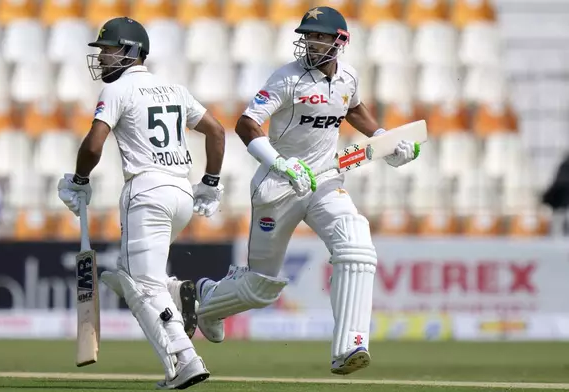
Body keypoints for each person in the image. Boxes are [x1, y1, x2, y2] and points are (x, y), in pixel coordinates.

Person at [193, 6, 419, 376]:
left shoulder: (348, 77)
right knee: (260, 288)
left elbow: (354, 109)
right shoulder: (287, 79)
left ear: (339, 41)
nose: (311, 43)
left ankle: (350, 346)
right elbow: (246, 125)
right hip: (278, 186)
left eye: (319, 37)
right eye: (308, 37)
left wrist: (383, 139)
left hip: (326, 181)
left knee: (357, 243)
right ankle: (208, 302)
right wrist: (281, 163)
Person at [56, 17, 226, 389]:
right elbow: (216, 130)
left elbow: (93, 144)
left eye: (108, 50)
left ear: (131, 51)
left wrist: (80, 180)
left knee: (139, 285)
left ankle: (185, 360)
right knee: (133, 276)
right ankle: (181, 292)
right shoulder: (174, 88)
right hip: (181, 193)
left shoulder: (117, 91)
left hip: (146, 192)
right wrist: (210, 182)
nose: (101, 58)